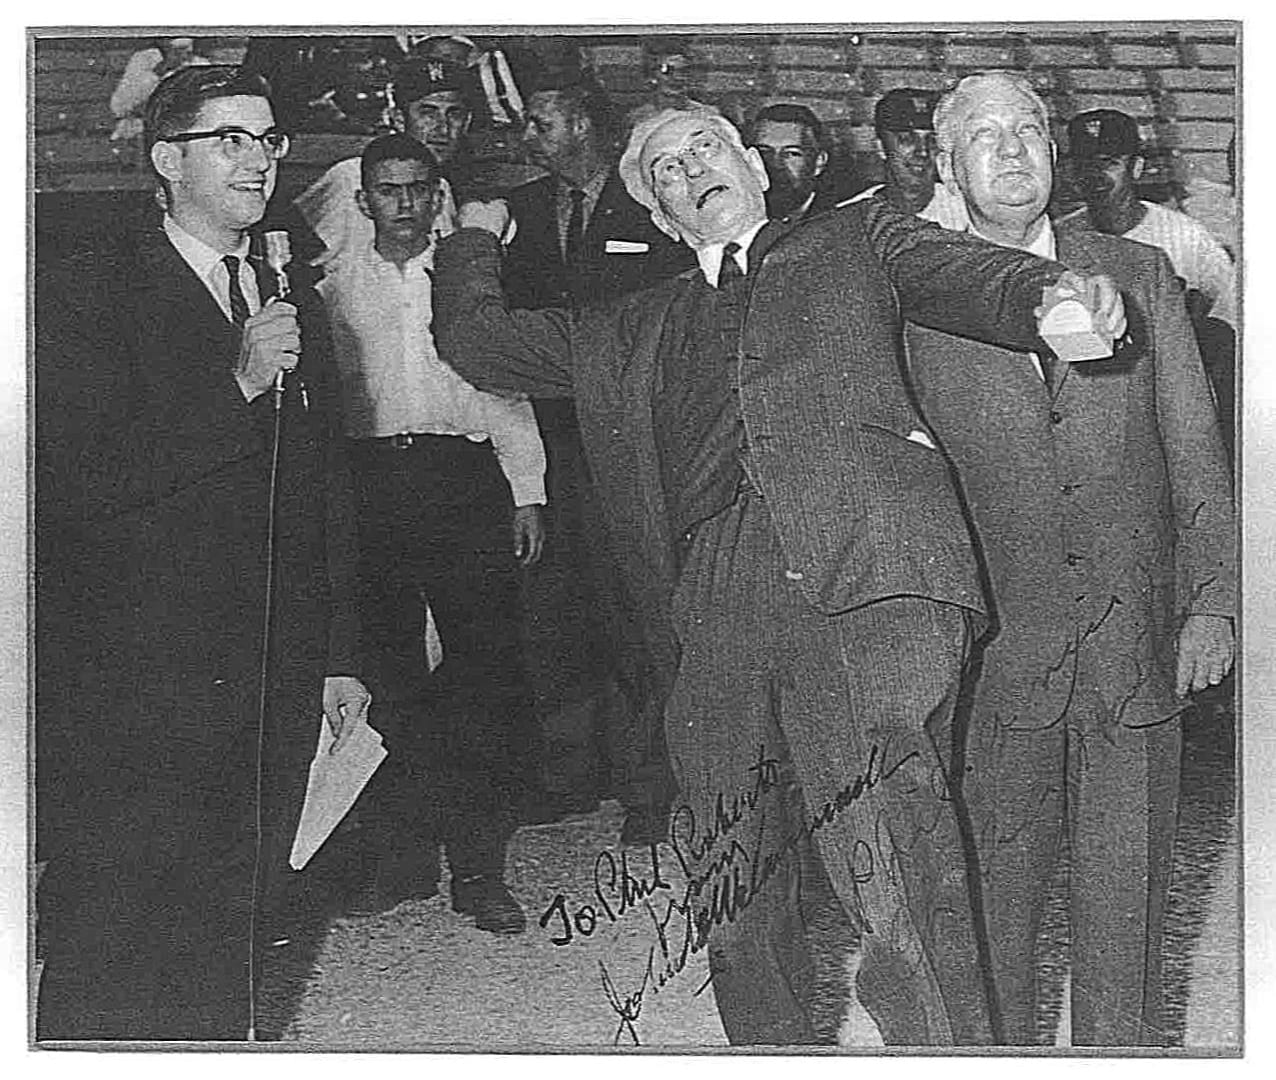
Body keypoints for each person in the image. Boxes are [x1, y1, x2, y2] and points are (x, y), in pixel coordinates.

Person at [430, 102, 1127, 1045]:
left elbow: (968, 274)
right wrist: (471, 239)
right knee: (731, 869)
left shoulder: (855, 237)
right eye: (665, 171)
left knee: (893, 860)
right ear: (662, 217)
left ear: (757, 164)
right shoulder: (628, 325)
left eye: (704, 147)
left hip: (865, 572)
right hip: (715, 597)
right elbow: (480, 344)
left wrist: (1055, 297)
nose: (689, 170)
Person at [34, 64, 369, 1040]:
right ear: (166, 159)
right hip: (134, 672)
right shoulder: (86, 289)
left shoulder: (278, 286)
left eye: (268, 140)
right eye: (231, 139)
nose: (261, 161)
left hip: (264, 665)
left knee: (238, 913)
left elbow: (320, 489)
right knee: (119, 918)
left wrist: (340, 649)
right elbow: (79, 477)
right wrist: (237, 381)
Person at [904, 71, 1235, 1046]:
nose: (1009, 151)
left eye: (1026, 131)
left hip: (1134, 648)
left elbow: (1194, 450)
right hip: (994, 664)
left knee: (1125, 916)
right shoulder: (915, 293)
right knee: (992, 915)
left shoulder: (1132, 275)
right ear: (943, 164)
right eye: (982, 136)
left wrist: (1213, 598)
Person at [316, 133, 544, 934]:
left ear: (438, 194)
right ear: (363, 200)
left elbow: (503, 388)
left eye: (418, 188)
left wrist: (528, 491)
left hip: (464, 482)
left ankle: (478, 869)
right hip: (368, 487)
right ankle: (403, 854)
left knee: (482, 677)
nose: (405, 203)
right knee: (386, 674)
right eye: (388, 190)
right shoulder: (331, 286)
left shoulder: (470, 279)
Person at [504, 67, 694, 840]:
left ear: (581, 124)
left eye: (539, 124)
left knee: (635, 613)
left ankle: (650, 786)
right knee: (559, 612)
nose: (526, 139)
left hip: (630, 442)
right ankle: (571, 771)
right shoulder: (517, 212)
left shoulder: (647, 202)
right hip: (547, 443)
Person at [290, 55, 480, 266]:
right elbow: (301, 263)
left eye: (454, 114)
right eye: (428, 113)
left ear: (466, 123)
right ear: (398, 119)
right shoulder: (352, 176)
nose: (442, 128)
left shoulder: (441, 187)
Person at [1060, 108, 1237, 333]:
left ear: (1136, 168)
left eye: (1109, 163)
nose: (1094, 174)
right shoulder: (1060, 234)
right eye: (1085, 163)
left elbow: (1230, 307)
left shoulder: (1183, 234)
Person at [745, 103, 835, 221]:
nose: (775, 164)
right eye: (764, 152)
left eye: (791, 154)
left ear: (819, 162)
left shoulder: (840, 219)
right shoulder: (735, 217)